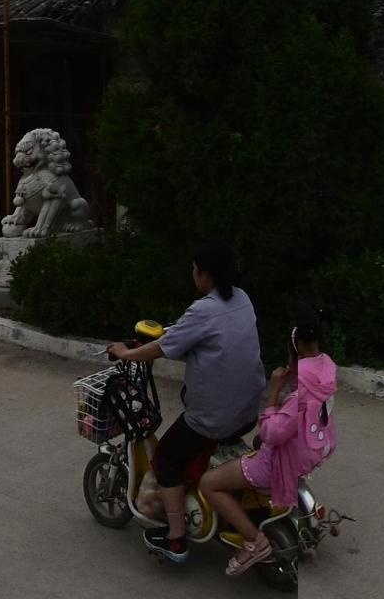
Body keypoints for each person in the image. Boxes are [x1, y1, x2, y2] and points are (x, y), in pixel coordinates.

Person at [107, 240, 264, 564]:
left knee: (167, 459)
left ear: (205, 275)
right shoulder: (242, 298)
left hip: (215, 417)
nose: (193, 274)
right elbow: (187, 333)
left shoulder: (203, 310)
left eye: (195, 269)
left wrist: (127, 352)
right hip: (248, 411)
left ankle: (176, 538)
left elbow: (161, 349)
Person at [200, 307, 337, 578]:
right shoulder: (327, 370)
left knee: (208, 483)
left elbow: (273, 432)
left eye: (289, 354)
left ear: (296, 350)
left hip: (275, 464)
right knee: (255, 440)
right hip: (312, 450)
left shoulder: (298, 398)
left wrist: (273, 391)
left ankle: (254, 542)